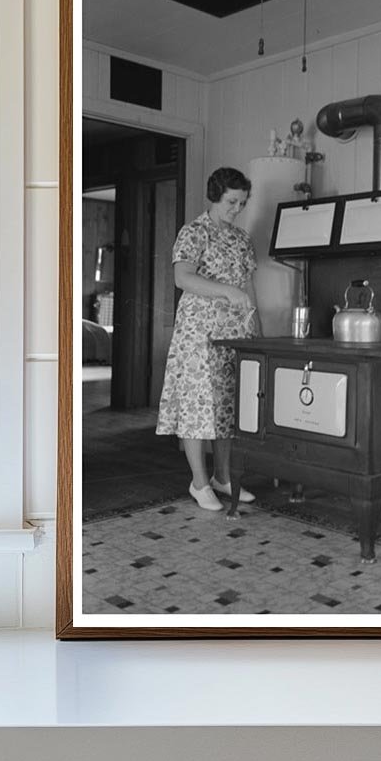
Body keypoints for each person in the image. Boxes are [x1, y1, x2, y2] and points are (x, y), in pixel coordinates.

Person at [156, 167, 261, 511]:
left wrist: (256, 330)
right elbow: (182, 277)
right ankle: (199, 483)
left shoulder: (241, 239)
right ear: (215, 196)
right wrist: (226, 291)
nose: (237, 208)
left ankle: (224, 478)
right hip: (199, 332)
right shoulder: (194, 232)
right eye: (232, 201)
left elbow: (248, 289)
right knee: (199, 406)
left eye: (242, 202)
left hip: (235, 333)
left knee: (229, 407)